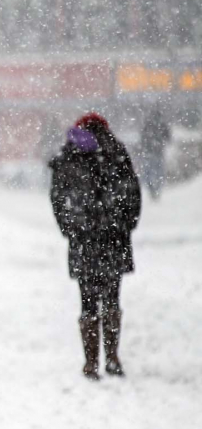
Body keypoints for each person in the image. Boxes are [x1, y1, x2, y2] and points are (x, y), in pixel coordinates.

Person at [49, 113, 141, 380]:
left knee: (87, 302)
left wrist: (70, 227)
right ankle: (112, 357)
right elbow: (132, 193)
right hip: (114, 239)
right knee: (112, 298)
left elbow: (58, 197)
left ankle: (91, 363)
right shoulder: (116, 152)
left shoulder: (70, 155)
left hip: (83, 240)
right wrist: (124, 225)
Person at [140, 107, 171, 201]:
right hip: (158, 151)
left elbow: (142, 137)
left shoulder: (147, 123)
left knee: (148, 171)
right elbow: (168, 137)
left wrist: (145, 146)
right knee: (159, 172)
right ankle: (157, 190)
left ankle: (152, 189)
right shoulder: (162, 124)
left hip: (148, 152)